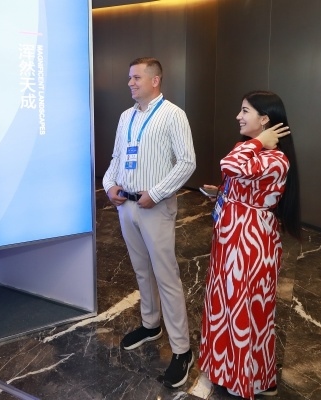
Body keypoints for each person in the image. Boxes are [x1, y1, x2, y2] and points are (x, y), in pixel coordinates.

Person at [198, 90, 302, 399]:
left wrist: (259, 143)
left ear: (265, 119)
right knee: (226, 305)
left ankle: (249, 378)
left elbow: (229, 164)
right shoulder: (250, 149)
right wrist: (223, 194)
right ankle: (229, 371)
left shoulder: (275, 158)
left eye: (245, 111)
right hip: (231, 238)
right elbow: (236, 176)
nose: (238, 116)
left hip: (250, 242)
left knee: (245, 309)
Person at [102, 57, 197, 388]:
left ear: (155, 80)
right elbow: (117, 158)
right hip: (126, 206)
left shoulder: (173, 115)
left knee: (166, 276)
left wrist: (156, 193)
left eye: (136, 77)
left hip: (155, 207)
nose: (130, 82)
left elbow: (187, 163)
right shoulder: (125, 117)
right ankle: (150, 324)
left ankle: (182, 350)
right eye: (129, 77)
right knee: (141, 270)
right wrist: (109, 185)